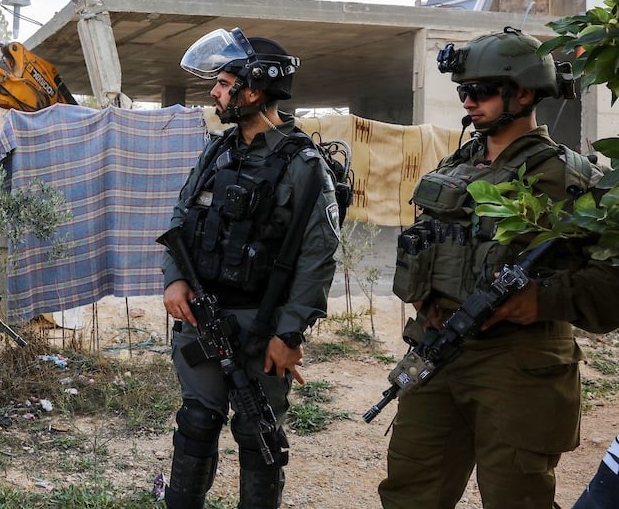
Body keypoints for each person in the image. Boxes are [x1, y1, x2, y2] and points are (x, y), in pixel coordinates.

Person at [379, 26, 619, 509]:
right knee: (410, 491)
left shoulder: (571, 179)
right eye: (464, 91)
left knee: (516, 498)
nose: (469, 101)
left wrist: (540, 300)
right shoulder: (458, 164)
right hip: (438, 350)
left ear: (524, 93)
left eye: (482, 90)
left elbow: (612, 284)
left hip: (518, 365)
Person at [158, 28, 340, 509]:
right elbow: (180, 217)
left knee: (259, 433)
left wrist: (289, 333)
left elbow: (317, 256)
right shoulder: (218, 150)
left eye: (223, 83)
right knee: (196, 422)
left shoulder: (303, 164)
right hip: (203, 317)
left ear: (253, 90)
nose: (215, 93)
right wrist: (175, 278)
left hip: (263, 324)